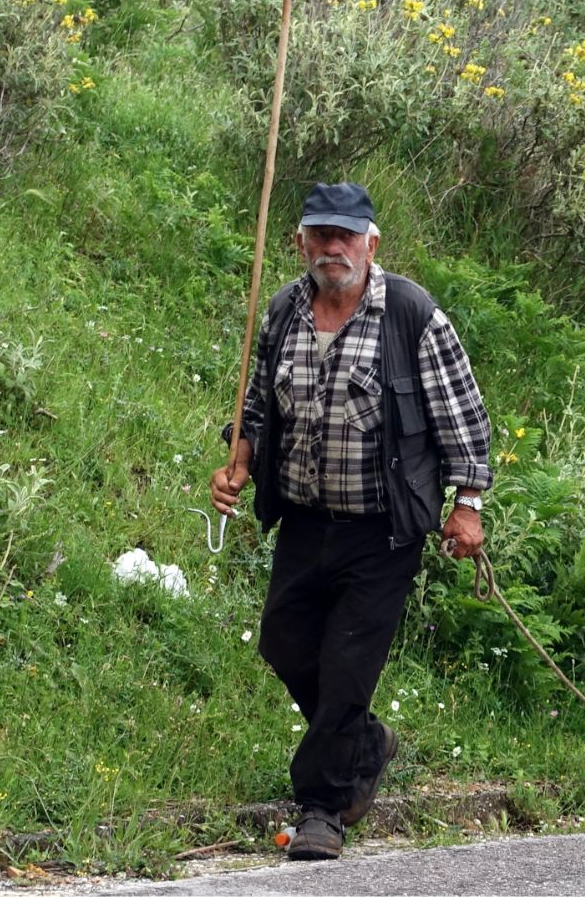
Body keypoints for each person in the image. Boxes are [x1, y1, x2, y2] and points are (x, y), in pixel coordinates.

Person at [209, 181, 493, 860]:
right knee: (282, 639)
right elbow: (256, 405)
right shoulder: (281, 311)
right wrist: (238, 465)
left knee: (345, 668)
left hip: (381, 529)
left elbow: (465, 418)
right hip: (305, 520)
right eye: (320, 234)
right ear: (302, 241)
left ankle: (323, 809)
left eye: (346, 236)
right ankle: (365, 743)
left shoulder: (412, 315)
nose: (332, 247)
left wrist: (468, 505)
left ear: (371, 242)